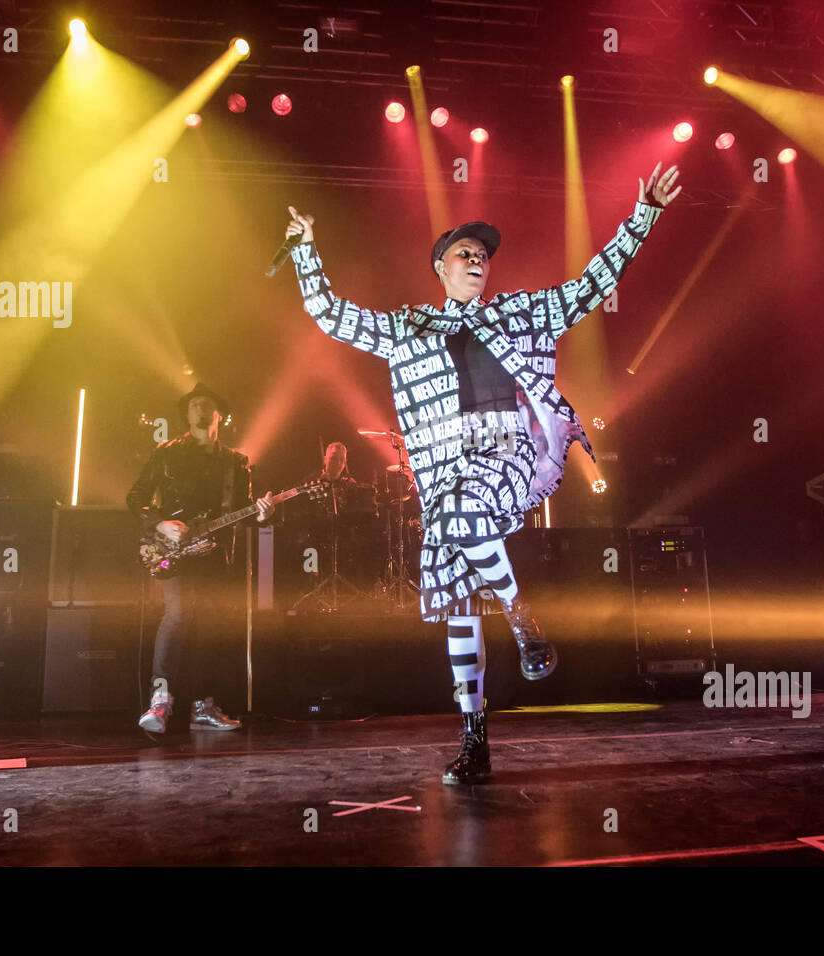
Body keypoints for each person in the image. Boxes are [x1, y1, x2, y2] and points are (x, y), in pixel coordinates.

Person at [285, 162, 681, 783]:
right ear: (440, 267)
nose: (478, 261)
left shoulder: (520, 314)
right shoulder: (410, 327)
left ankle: (524, 622)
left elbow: (589, 284)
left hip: (509, 455)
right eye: (465, 253)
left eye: (484, 256)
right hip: (444, 472)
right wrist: (307, 252)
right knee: (460, 606)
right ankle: (475, 741)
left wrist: (645, 215)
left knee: (466, 511)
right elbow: (332, 316)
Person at [127, 382, 274, 733]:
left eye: (207, 403)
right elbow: (136, 497)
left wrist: (265, 513)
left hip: (214, 554)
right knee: (177, 615)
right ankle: (159, 702)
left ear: (219, 415)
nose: (199, 408)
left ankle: (202, 706)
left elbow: (244, 511)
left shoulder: (236, 463)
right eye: (193, 404)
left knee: (210, 628)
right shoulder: (168, 452)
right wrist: (161, 523)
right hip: (172, 549)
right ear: (187, 413)